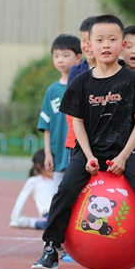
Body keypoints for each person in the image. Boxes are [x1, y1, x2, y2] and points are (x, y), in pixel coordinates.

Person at [31, 15, 135, 269]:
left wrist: (123, 156)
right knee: (65, 189)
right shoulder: (80, 82)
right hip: (89, 150)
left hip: (127, 151)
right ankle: (51, 249)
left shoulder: (134, 81)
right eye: (99, 40)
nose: (106, 45)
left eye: (112, 39)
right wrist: (87, 156)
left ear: (123, 45)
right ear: (89, 46)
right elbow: (77, 124)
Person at [38, 34, 81, 190]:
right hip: (58, 153)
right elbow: (46, 125)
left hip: (79, 152)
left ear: (78, 58)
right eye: (56, 56)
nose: (60, 60)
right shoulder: (52, 91)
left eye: (65, 55)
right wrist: (48, 153)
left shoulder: (82, 85)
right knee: (58, 193)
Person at [65, 16, 97, 150]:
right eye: (84, 40)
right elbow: (71, 108)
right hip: (78, 139)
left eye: (92, 40)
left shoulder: (119, 69)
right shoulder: (76, 71)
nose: (87, 45)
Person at [9, 149, 55, 229]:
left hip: (59, 212)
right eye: (49, 164)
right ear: (39, 166)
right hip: (48, 214)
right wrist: (14, 220)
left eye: (53, 163)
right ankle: (32, 222)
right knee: (51, 225)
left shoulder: (57, 180)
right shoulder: (34, 181)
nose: (52, 167)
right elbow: (21, 200)